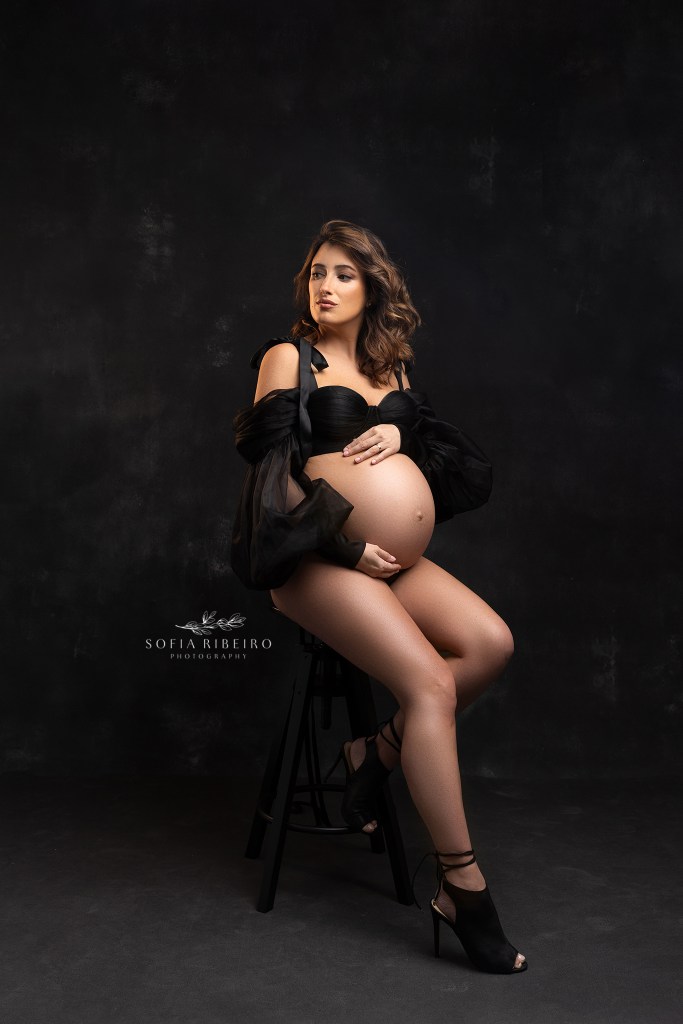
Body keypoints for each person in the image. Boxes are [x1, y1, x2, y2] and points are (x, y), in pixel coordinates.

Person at [231, 219, 527, 974]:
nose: (324, 287)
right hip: (313, 560)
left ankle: (377, 748)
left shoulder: (389, 369)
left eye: (342, 275)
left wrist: (402, 440)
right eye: (315, 274)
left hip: (387, 560)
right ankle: (461, 886)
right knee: (429, 682)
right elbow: (273, 484)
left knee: (490, 644)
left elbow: (441, 460)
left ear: (372, 289)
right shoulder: (285, 359)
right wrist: (345, 545)